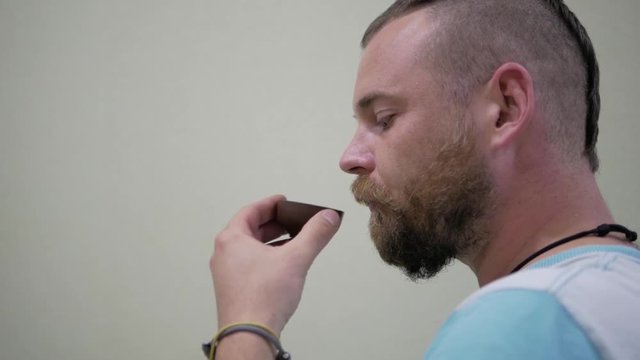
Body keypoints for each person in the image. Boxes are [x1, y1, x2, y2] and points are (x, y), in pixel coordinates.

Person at [206, 0, 640, 359]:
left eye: (384, 119)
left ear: (505, 107)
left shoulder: (515, 328)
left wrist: (246, 324)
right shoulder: (616, 293)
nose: (350, 158)